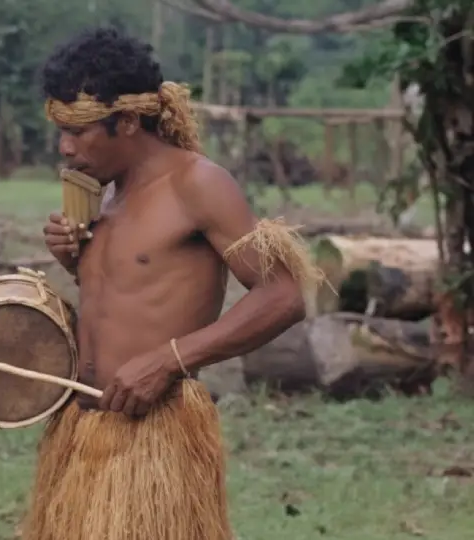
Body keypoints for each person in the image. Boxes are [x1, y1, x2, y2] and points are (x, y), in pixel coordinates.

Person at [23, 27, 325, 540]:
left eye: (80, 130)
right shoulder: (103, 197)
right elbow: (132, 296)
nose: (65, 147)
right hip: (81, 433)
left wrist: (170, 360)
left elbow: (285, 295)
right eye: (60, 130)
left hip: (154, 438)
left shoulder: (196, 184)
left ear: (127, 122)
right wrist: (74, 261)